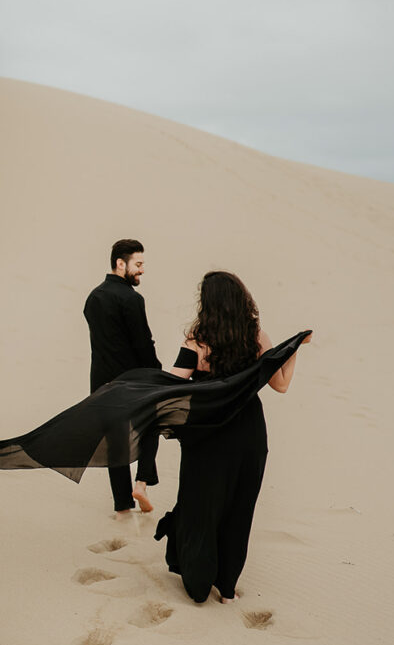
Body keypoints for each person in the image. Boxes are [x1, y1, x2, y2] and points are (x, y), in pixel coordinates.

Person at [154, 271, 311, 604]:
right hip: (248, 435)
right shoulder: (257, 338)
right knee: (238, 509)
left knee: (201, 506)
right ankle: (226, 587)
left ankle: (198, 584)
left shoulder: (197, 342)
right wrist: (293, 349)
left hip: (207, 436)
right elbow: (281, 384)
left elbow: (173, 384)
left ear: (207, 304)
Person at [83, 239, 161, 516]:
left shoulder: (93, 297)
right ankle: (141, 482)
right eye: (138, 264)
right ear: (120, 263)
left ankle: (122, 505)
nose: (141, 270)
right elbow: (143, 344)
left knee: (116, 443)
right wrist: (158, 373)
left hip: (102, 385)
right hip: (133, 382)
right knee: (153, 423)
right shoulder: (131, 299)